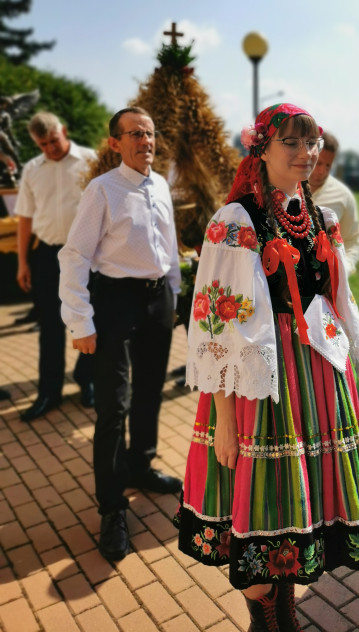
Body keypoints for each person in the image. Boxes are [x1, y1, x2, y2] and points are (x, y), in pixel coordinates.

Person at [176, 103, 359, 632]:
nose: (306, 153)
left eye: (311, 142)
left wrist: (347, 376)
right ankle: (264, 614)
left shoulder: (322, 216)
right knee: (253, 501)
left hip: (317, 376)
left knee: (302, 503)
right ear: (263, 149)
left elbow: (335, 304)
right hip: (257, 381)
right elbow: (217, 326)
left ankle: (285, 607)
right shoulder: (236, 222)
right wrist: (224, 417)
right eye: (292, 143)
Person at [58, 107, 182, 562]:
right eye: (134, 134)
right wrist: (81, 321)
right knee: (114, 405)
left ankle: (141, 466)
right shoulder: (102, 190)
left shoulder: (162, 185)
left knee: (150, 391)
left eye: (149, 133)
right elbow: (74, 256)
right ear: (115, 143)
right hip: (115, 303)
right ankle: (112, 509)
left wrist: (173, 295)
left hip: (157, 303)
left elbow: (168, 247)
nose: (144, 140)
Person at [14, 112, 96, 421]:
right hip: (47, 256)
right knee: (49, 326)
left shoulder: (91, 160)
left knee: (91, 319)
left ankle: (86, 379)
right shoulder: (32, 170)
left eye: (54, 141)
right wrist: (23, 262)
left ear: (64, 130)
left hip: (87, 255)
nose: (50, 148)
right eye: (43, 144)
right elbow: (24, 217)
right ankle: (49, 391)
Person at [308, 131, 359, 275]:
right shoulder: (285, 188)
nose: (322, 171)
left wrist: (343, 270)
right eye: (318, 163)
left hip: (327, 285)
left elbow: (352, 241)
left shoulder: (343, 196)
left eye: (328, 165)